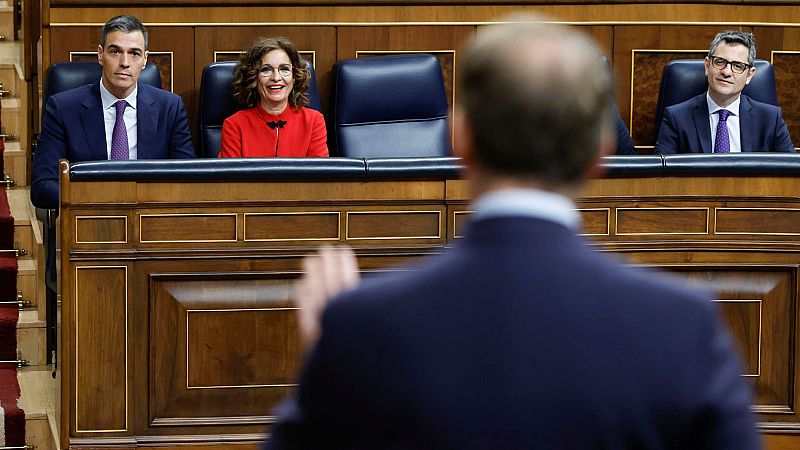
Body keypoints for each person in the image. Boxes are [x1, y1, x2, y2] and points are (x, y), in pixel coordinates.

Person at [266, 16, 760, 450]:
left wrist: (325, 376)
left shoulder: (361, 326)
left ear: (460, 138)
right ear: (600, 151)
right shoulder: (684, 326)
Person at [31, 15, 195, 210]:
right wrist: (103, 201)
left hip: (150, 219)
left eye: (134, 53)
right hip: (89, 220)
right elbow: (43, 186)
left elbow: (187, 180)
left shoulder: (170, 107)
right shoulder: (63, 108)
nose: (125, 62)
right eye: (115, 51)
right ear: (100, 54)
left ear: (145, 59)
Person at [655, 30, 793, 154]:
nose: (727, 72)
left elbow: (789, 172)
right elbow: (662, 177)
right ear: (707, 65)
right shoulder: (676, 118)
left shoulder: (770, 119)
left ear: (749, 75)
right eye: (720, 62)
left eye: (738, 66)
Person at [218, 37, 328, 158]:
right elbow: (230, 176)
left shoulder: (313, 121)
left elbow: (318, 174)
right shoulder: (234, 125)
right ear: (254, 78)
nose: (276, 77)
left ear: (294, 77)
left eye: (284, 69)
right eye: (266, 70)